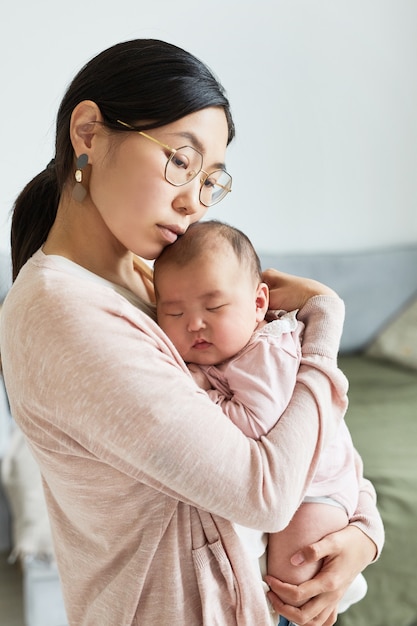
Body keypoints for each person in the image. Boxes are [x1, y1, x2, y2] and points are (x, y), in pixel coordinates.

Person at [0, 39, 383, 626]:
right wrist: (324, 320)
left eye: (210, 180)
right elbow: (263, 492)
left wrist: (363, 531)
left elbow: (299, 421)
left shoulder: (155, 281)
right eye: (180, 160)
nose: (193, 202)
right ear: (88, 133)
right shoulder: (62, 312)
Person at [153, 219, 368, 623]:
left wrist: (203, 391)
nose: (194, 323)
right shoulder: (221, 351)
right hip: (293, 479)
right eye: (174, 312)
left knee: (294, 581)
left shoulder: (265, 351)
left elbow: (255, 424)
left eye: (213, 307)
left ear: (258, 305)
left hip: (317, 489)